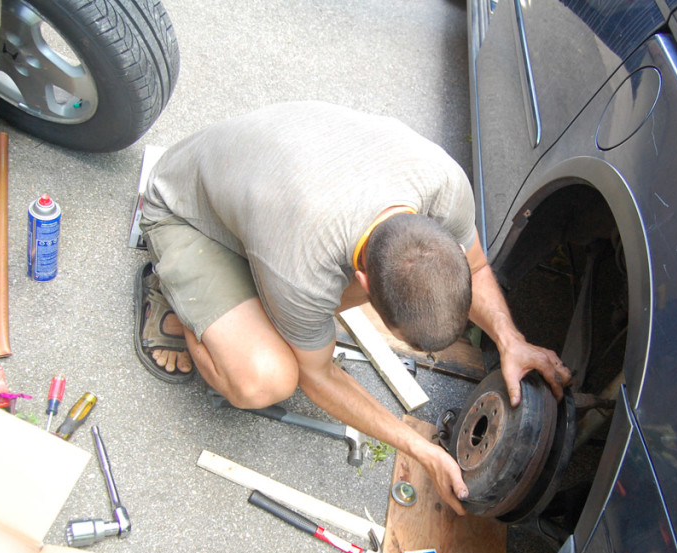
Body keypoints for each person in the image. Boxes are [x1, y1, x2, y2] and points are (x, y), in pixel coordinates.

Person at [136, 101, 571, 514]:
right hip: (185, 209)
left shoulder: (444, 184)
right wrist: (420, 447)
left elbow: (474, 269)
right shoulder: (301, 265)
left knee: (299, 315)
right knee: (266, 378)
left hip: (269, 182)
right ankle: (173, 290)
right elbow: (318, 377)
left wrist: (511, 340)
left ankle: (255, 302)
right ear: (362, 283)